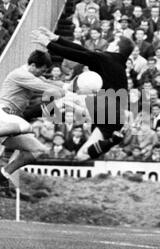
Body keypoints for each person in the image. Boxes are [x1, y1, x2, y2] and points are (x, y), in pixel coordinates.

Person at [0, 50, 66, 195]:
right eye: (41, 70)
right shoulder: (21, 74)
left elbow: (48, 82)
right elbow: (48, 88)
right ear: (32, 65)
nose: (41, 74)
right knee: (25, 126)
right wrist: (68, 92)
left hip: (8, 123)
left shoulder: (31, 75)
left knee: (39, 151)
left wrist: (71, 86)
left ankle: (4, 172)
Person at [32, 27, 135, 161]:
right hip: (114, 115)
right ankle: (111, 142)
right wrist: (57, 39)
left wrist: (49, 44)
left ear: (116, 48)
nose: (110, 42)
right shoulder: (117, 63)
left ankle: (24, 115)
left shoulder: (105, 58)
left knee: (64, 99)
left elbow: (77, 55)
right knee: (83, 154)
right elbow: (83, 51)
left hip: (106, 112)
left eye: (114, 41)